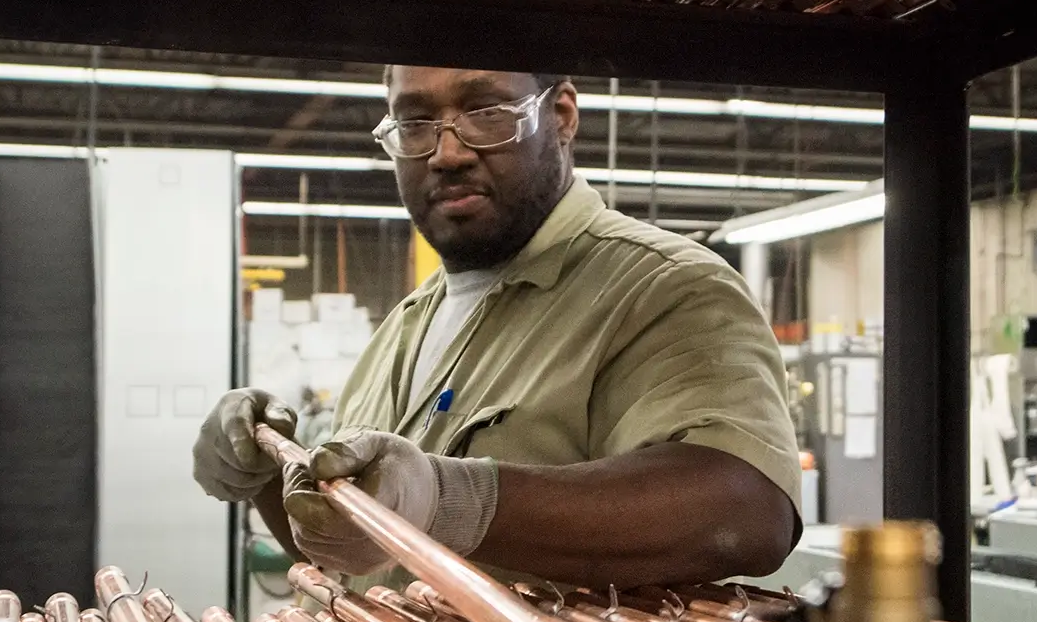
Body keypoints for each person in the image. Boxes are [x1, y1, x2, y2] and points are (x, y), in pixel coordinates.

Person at [193, 64, 802, 585]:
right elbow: (359, 557)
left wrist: (452, 500)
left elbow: (743, 509)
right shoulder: (407, 325)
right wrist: (272, 477)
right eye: (415, 123)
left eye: (486, 111)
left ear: (561, 116)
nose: (447, 152)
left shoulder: (662, 288)